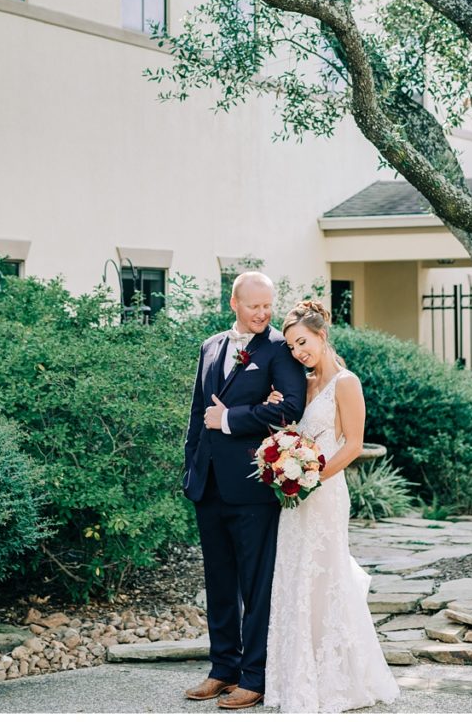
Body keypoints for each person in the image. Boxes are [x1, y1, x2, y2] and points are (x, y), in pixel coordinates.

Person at [263, 299, 400, 713]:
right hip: (295, 497)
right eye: (291, 347)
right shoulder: (301, 386)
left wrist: (311, 477)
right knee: (295, 576)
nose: (298, 352)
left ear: (322, 336)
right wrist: (278, 430)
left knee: (325, 575)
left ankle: (338, 680)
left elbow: (354, 445)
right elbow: (293, 435)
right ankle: (297, 679)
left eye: (302, 342)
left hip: (324, 492)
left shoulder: (347, 382)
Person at [183, 271, 306, 709]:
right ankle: (223, 669)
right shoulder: (211, 346)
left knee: (256, 586)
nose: (263, 312)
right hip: (209, 484)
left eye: (268, 305)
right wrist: (190, 470)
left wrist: (232, 419)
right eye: (254, 305)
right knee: (219, 581)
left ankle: (254, 677)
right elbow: (199, 413)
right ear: (234, 303)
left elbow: (292, 408)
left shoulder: (278, 350)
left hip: (254, 487)